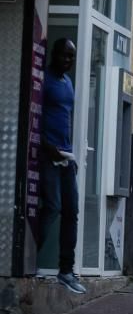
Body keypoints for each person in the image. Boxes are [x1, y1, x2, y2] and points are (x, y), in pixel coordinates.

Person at [38, 38, 85, 294]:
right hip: (47, 154)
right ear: (53, 54)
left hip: (66, 156)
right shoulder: (43, 80)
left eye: (71, 57)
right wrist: (47, 146)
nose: (68, 60)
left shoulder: (68, 83)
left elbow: (65, 118)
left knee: (72, 211)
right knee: (53, 207)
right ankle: (29, 258)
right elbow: (34, 117)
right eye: (64, 55)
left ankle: (66, 271)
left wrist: (71, 156)